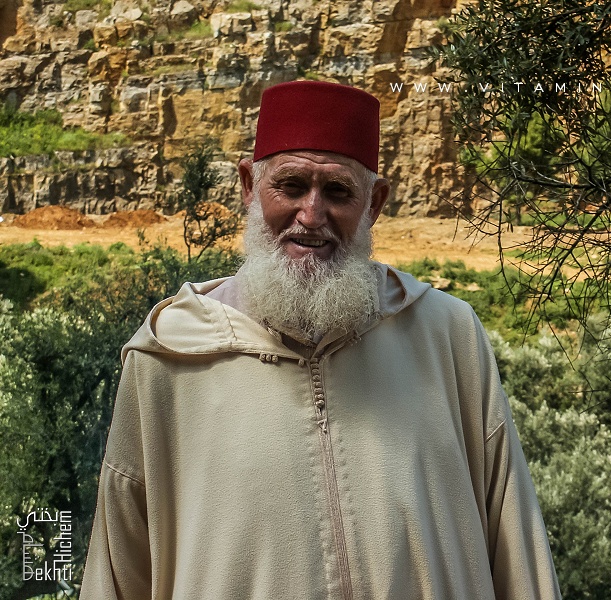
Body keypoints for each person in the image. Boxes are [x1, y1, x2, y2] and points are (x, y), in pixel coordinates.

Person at [81, 80, 561, 600]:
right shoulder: (168, 358)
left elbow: (517, 550)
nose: (311, 216)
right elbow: (118, 570)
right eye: (290, 186)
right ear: (248, 186)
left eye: (338, 191)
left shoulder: (447, 337)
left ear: (374, 203)